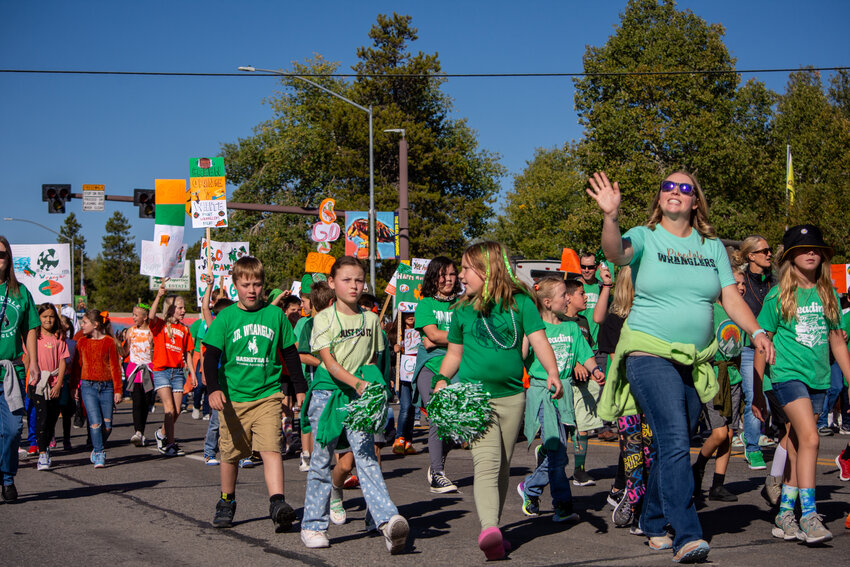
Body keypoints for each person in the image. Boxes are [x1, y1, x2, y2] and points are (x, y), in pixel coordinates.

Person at [588, 170, 773, 563]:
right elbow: (615, 253)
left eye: (684, 188)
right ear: (660, 199)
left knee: (676, 439)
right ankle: (686, 532)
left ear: (695, 201)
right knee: (673, 439)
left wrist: (756, 331)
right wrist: (610, 217)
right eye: (668, 187)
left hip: (695, 358)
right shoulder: (644, 235)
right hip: (646, 351)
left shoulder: (711, 247)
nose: (675, 192)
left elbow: (729, 296)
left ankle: (653, 520)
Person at [434, 241, 563, 560]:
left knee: (502, 465)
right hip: (475, 399)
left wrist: (552, 372)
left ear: (485, 269)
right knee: (487, 462)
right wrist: (441, 378)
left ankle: (495, 530)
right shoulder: (462, 309)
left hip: (512, 398)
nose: (461, 275)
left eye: (465, 268)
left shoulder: (521, 303)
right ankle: (489, 527)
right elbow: (454, 353)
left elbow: (540, 341)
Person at [300, 256, 409, 554]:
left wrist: (373, 389)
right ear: (332, 283)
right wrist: (357, 383)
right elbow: (329, 362)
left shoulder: (371, 319)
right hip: (327, 395)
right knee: (321, 462)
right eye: (347, 280)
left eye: (359, 280)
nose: (354, 285)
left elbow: (373, 361)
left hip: (360, 399)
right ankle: (313, 525)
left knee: (367, 459)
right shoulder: (322, 318)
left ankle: (387, 522)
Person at [754, 224, 850, 544]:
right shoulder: (778, 294)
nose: (811, 253)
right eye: (802, 249)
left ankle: (785, 513)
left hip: (818, 378)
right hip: (786, 376)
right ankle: (809, 515)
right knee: (810, 438)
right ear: (791, 257)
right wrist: (757, 388)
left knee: (796, 444)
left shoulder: (829, 294)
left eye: (815, 249)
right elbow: (762, 339)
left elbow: (838, 342)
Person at [202, 256, 306, 532]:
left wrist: (300, 389)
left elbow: (290, 354)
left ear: (263, 286)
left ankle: (278, 503)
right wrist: (213, 389)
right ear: (235, 285)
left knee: (271, 447)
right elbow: (210, 357)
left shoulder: (274, 316)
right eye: (246, 284)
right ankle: (227, 500)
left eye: (257, 284)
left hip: (268, 395)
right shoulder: (226, 317)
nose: (252, 290)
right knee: (231, 453)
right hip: (233, 398)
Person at [517, 276, 603, 523]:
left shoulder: (572, 327)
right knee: (559, 453)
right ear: (547, 301)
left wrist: (595, 370)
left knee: (555, 450)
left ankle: (531, 488)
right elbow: (521, 356)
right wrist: (525, 330)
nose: (568, 297)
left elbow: (585, 355)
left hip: (565, 392)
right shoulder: (534, 328)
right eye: (564, 294)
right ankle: (562, 505)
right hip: (542, 392)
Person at [692, 264, 747, 502]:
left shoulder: (741, 313)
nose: (741, 288)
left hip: (733, 377)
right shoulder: (711, 310)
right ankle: (699, 466)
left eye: (743, 284)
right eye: (736, 283)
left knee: (730, 432)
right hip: (713, 377)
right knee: (719, 432)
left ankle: (718, 484)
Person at [413, 256, 463, 493]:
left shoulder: (464, 304)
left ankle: (436, 466)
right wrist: (458, 337)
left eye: (452, 274)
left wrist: (440, 337)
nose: (448, 279)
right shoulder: (425, 304)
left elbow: (436, 337)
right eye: (443, 275)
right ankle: (438, 473)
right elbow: (431, 336)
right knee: (438, 416)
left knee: (459, 427)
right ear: (434, 277)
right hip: (431, 367)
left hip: (459, 368)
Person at [734, 235, 776, 470]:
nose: (769, 254)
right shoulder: (740, 284)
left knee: (776, 400)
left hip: (776, 349)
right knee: (756, 400)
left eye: (769, 250)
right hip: (751, 350)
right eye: (764, 251)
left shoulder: (775, 282)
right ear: (751, 255)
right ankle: (752, 447)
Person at [562, 278, 602, 486]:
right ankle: (547, 459)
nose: (586, 297)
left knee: (583, 428)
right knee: (564, 430)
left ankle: (579, 470)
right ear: (567, 297)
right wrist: (575, 363)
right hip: (566, 383)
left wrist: (594, 370)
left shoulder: (583, 322)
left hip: (584, 384)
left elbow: (587, 350)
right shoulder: (558, 321)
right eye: (581, 293)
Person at [149, 284, 196, 457]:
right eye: (180, 307)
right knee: (169, 409)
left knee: (176, 411)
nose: (184, 310)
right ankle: (170, 444)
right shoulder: (160, 326)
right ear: (171, 309)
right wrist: (159, 296)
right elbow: (151, 315)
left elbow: (188, 354)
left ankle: (161, 433)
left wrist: (191, 372)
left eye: (184, 308)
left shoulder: (184, 330)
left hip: (177, 373)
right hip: (162, 371)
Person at [71, 310, 122, 468]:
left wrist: (118, 390)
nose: (82, 325)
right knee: (95, 423)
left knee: (107, 426)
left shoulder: (108, 342)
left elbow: (115, 367)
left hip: (106, 387)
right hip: (88, 386)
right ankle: (99, 452)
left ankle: (98, 445)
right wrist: (74, 387)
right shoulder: (82, 342)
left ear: (95, 324)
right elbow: (76, 368)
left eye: (85, 322)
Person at [295, 282, 334, 473]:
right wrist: (324, 364)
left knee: (333, 421)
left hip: (338, 382)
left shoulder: (338, 322)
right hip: (315, 381)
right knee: (310, 420)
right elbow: (302, 355)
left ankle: (335, 462)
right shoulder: (309, 325)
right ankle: (307, 454)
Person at [578, 252, 617, 442]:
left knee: (602, 384)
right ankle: (581, 422)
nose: (586, 270)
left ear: (596, 267)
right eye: (583, 266)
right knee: (581, 385)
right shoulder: (575, 287)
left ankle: (604, 426)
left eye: (590, 267)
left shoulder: (603, 287)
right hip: (581, 344)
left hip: (600, 343)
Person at [26, 303, 68, 471]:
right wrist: (26, 381)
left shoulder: (59, 337)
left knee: (51, 419)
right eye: (44, 317)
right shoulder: (33, 337)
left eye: (51, 316)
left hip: (54, 382)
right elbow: (27, 359)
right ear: (39, 318)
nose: (48, 319)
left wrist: (58, 384)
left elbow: (63, 361)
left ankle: (46, 445)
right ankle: (42, 453)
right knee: (41, 418)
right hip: (37, 383)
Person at [121, 303, 154, 447]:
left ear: (145, 317)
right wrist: (118, 344)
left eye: (136, 315)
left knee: (146, 402)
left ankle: (142, 431)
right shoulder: (131, 331)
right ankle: (138, 432)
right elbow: (125, 352)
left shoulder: (151, 332)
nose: (133, 317)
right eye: (133, 314)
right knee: (137, 401)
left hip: (148, 369)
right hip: (134, 370)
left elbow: (153, 352)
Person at [389, 310, 418, 457]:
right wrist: (394, 351)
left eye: (413, 313)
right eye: (407, 314)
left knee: (412, 408)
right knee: (405, 406)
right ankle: (399, 439)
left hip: (416, 375)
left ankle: (408, 441)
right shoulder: (395, 335)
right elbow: (390, 360)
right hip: (402, 375)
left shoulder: (421, 332)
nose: (410, 316)